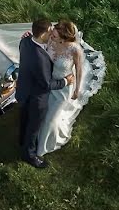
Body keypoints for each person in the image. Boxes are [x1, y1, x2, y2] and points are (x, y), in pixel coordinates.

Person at [16, 18, 74, 168]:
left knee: (24, 118)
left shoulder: (25, 42)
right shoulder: (40, 58)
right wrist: (66, 81)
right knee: (33, 128)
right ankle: (29, 155)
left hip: (23, 91)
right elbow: (47, 84)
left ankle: (21, 139)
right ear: (43, 34)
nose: (51, 34)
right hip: (37, 98)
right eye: (49, 31)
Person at [36, 19, 85, 156]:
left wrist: (77, 89)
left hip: (64, 89)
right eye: (52, 34)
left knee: (49, 120)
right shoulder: (50, 40)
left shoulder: (74, 49)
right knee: (42, 113)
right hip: (49, 84)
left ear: (64, 38)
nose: (51, 36)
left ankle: (41, 149)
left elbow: (79, 70)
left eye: (55, 35)